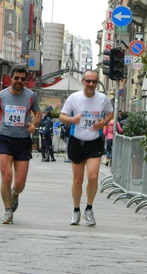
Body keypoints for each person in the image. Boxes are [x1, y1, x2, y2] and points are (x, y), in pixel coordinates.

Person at [0, 64, 42, 225]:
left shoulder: (30, 96)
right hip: (5, 138)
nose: (19, 81)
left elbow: (38, 113)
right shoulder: (1, 96)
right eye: (16, 78)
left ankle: (15, 193)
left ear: (26, 81)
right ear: (11, 78)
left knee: (19, 183)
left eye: (23, 79)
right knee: (6, 176)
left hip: (23, 141)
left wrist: (34, 125)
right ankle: (8, 211)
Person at [59, 70, 113, 226]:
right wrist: (72, 119)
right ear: (82, 81)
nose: (91, 84)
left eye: (94, 82)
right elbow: (62, 117)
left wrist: (104, 122)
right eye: (88, 81)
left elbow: (110, 113)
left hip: (94, 142)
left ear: (97, 83)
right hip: (77, 142)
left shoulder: (102, 99)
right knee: (77, 180)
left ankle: (89, 208)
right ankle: (76, 211)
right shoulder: (74, 98)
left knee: (93, 177)